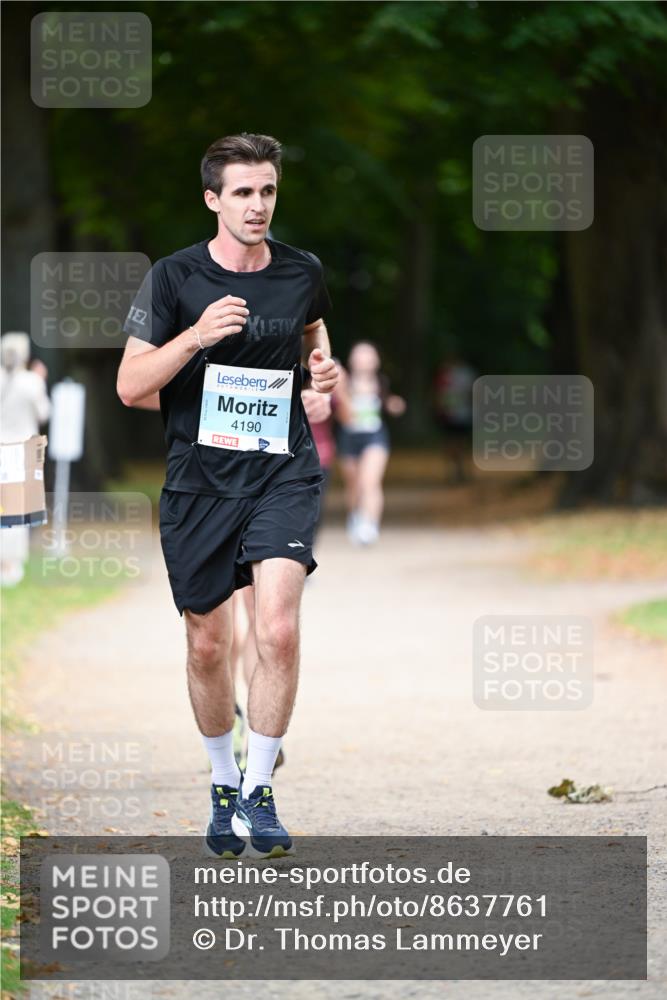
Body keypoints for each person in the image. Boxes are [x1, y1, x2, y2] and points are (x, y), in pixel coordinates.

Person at [117, 133, 338, 859]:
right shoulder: (174, 278)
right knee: (208, 644)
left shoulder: (301, 269)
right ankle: (222, 780)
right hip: (199, 484)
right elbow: (130, 386)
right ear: (213, 198)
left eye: (267, 190)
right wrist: (195, 337)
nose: (257, 205)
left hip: (282, 473)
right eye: (242, 192)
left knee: (277, 630)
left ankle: (260, 789)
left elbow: (312, 329)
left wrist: (321, 371)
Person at [338, 341, 405, 545]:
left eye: (368, 356)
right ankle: (355, 516)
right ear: (352, 360)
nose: (364, 360)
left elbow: (388, 401)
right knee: (353, 484)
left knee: (370, 481)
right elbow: (337, 411)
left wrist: (394, 405)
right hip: (349, 437)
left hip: (375, 436)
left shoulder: (381, 382)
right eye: (360, 356)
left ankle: (370, 524)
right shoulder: (343, 381)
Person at [0, 332, 50, 586]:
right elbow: (44, 412)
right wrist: (41, 380)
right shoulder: (31, 381)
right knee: (16, 508)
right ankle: (11, 564)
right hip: (21, 450)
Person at [433, 354, 476, 484]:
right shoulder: (446, 374)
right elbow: (438, 394)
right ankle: (454, 472)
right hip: (449, 415)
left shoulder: (465, 373)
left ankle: (460, 471)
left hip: (462, 414)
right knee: (452, 443)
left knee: (460, 443)